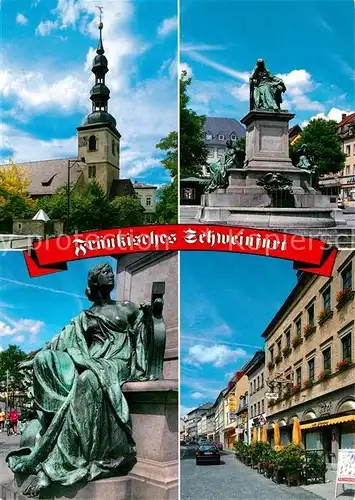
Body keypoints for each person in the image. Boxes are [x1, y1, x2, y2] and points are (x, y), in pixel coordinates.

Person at [6, 263, 152, 497]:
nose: (110, 275)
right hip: (90, 360)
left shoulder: (127, 308)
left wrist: (152, 313)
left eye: (111, 271)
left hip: (117, 362)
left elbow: (146, 333)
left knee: (88, 380)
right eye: (104, 273)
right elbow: (62, 340)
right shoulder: (85, 316)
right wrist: (35, 358)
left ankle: (54, 468)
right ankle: (59, 421)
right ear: (94, 282)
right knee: (46, 359)